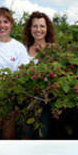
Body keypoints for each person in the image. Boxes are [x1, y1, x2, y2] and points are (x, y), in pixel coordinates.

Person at [0, 7, 30, 139]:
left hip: (10, 99)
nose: (2, 25)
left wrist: (4, 79)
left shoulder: (19, 47)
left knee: (9, 136)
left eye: (5, 22)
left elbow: (23, 74)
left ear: (11, 24)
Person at [21, 11, 57, 139]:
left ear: (47, 29)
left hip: (45, 100)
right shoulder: (24, 49)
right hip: (26, 100)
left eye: (42, 26)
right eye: (35, 26)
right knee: (25, 134)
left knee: (43, 134)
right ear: (30, 29)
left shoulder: (53, 49)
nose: (38, 30)